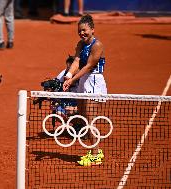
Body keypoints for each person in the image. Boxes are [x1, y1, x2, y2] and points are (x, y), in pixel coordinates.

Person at [63, 14, 106, 166]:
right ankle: (94, 150)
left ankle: (95, 154)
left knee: (90, 118)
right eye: (80, 31)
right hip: (83, 79)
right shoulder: (80, 44)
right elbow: (76, 61)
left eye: (85, 30)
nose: (82, 33)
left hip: (93, 81)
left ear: (92, 30)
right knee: (82, 114)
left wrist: (73, 79)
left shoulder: (97, 45)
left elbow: (88, 66)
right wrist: (68, 75)